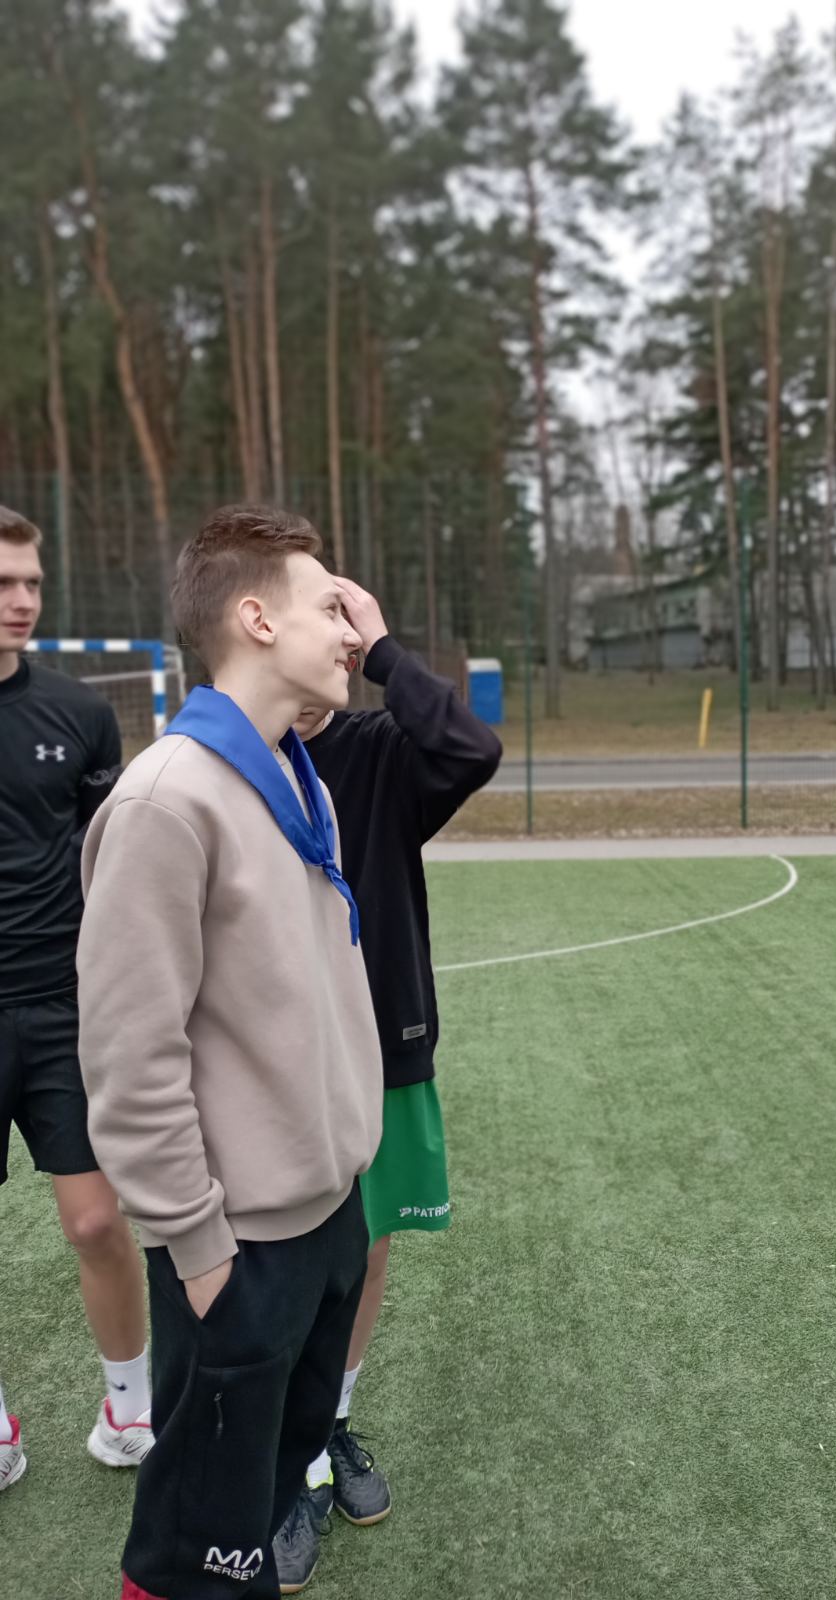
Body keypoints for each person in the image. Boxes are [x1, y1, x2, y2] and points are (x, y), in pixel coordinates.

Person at [76, 504, 383, 1600]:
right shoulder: (167, 799)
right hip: (238, 1246)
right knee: (198, 1555)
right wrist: (200, 1249)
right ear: (255, 619)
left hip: (327, 1218)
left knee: (261, 1505)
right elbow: (129, 1055)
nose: (352, 632)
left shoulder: (299, 774)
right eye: (329, 608)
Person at [272, 576, 502, 1591]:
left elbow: (471, 749)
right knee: (284, 1261)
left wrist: (383, 654)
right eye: (317, 616)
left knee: (364, 1250)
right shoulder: (225, 761)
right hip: (274, 1060)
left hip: (381, 1043)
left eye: (342, 621)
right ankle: (284, 1455)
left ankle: (327, 1423)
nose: (333, 637)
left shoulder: (378, 751)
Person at [0, 504, 151, 1472]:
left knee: (97, 1219)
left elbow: (117, 865)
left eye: (31, 583)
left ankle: (129, 1408)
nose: (22, 601)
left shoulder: (82, 716)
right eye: (3, 584)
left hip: (65, 1007)